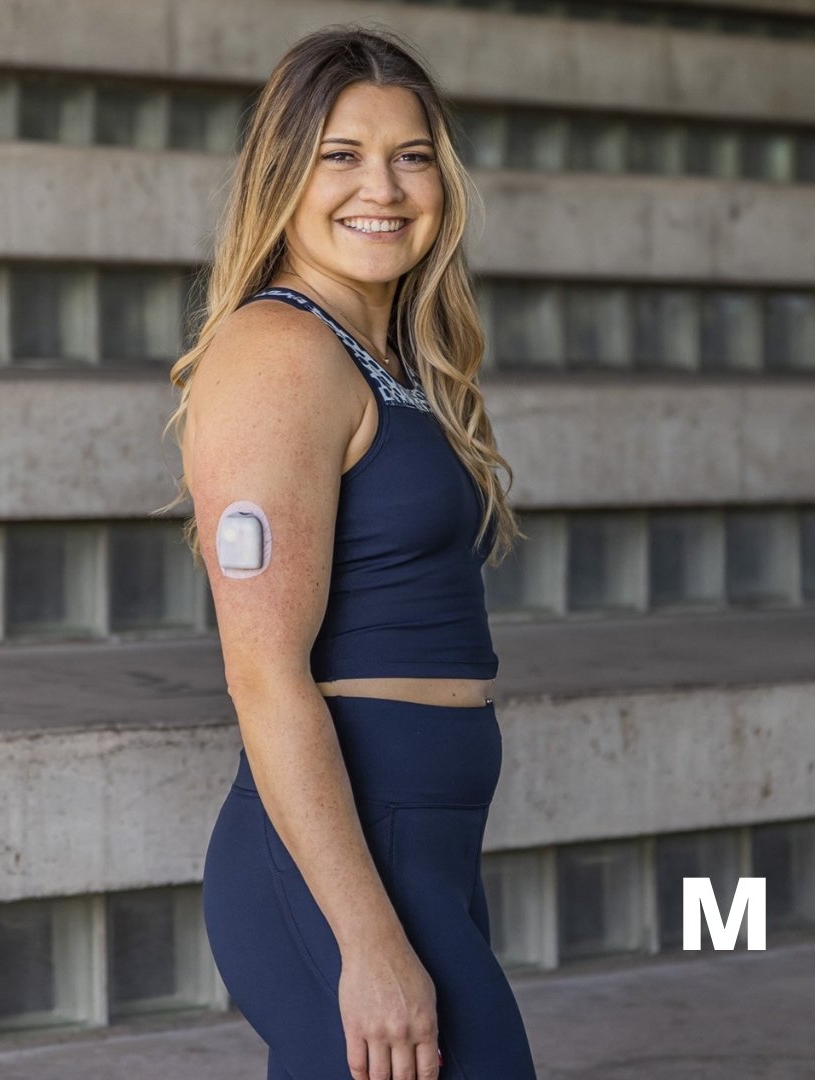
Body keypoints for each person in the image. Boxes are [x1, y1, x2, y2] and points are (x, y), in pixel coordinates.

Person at [161, 23, 536, 1080]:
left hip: (422, 845)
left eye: (412, 155)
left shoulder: (388, 357)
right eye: (342, 155)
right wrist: (368, 942)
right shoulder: (280, 352)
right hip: (346, 862)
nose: (385, 187)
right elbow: (263, 673)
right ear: (283, 174)